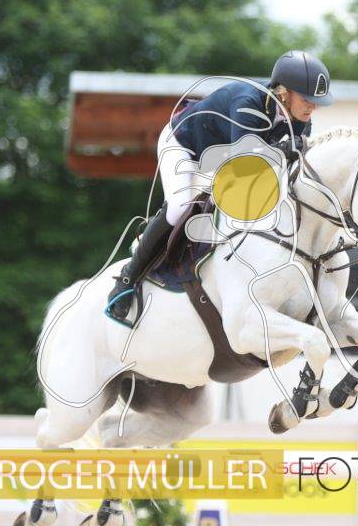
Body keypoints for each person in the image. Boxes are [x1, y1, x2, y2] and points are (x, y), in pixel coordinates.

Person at [105, 51, 335, 322]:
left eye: (316, 101)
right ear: (285, 92)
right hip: (184, 146)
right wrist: (283, 151)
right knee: (180, 207)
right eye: (307, 99)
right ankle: (127, 279)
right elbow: (245, 163)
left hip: (219, 157)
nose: (312, 107)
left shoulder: (301, 122)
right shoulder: (248, 102)